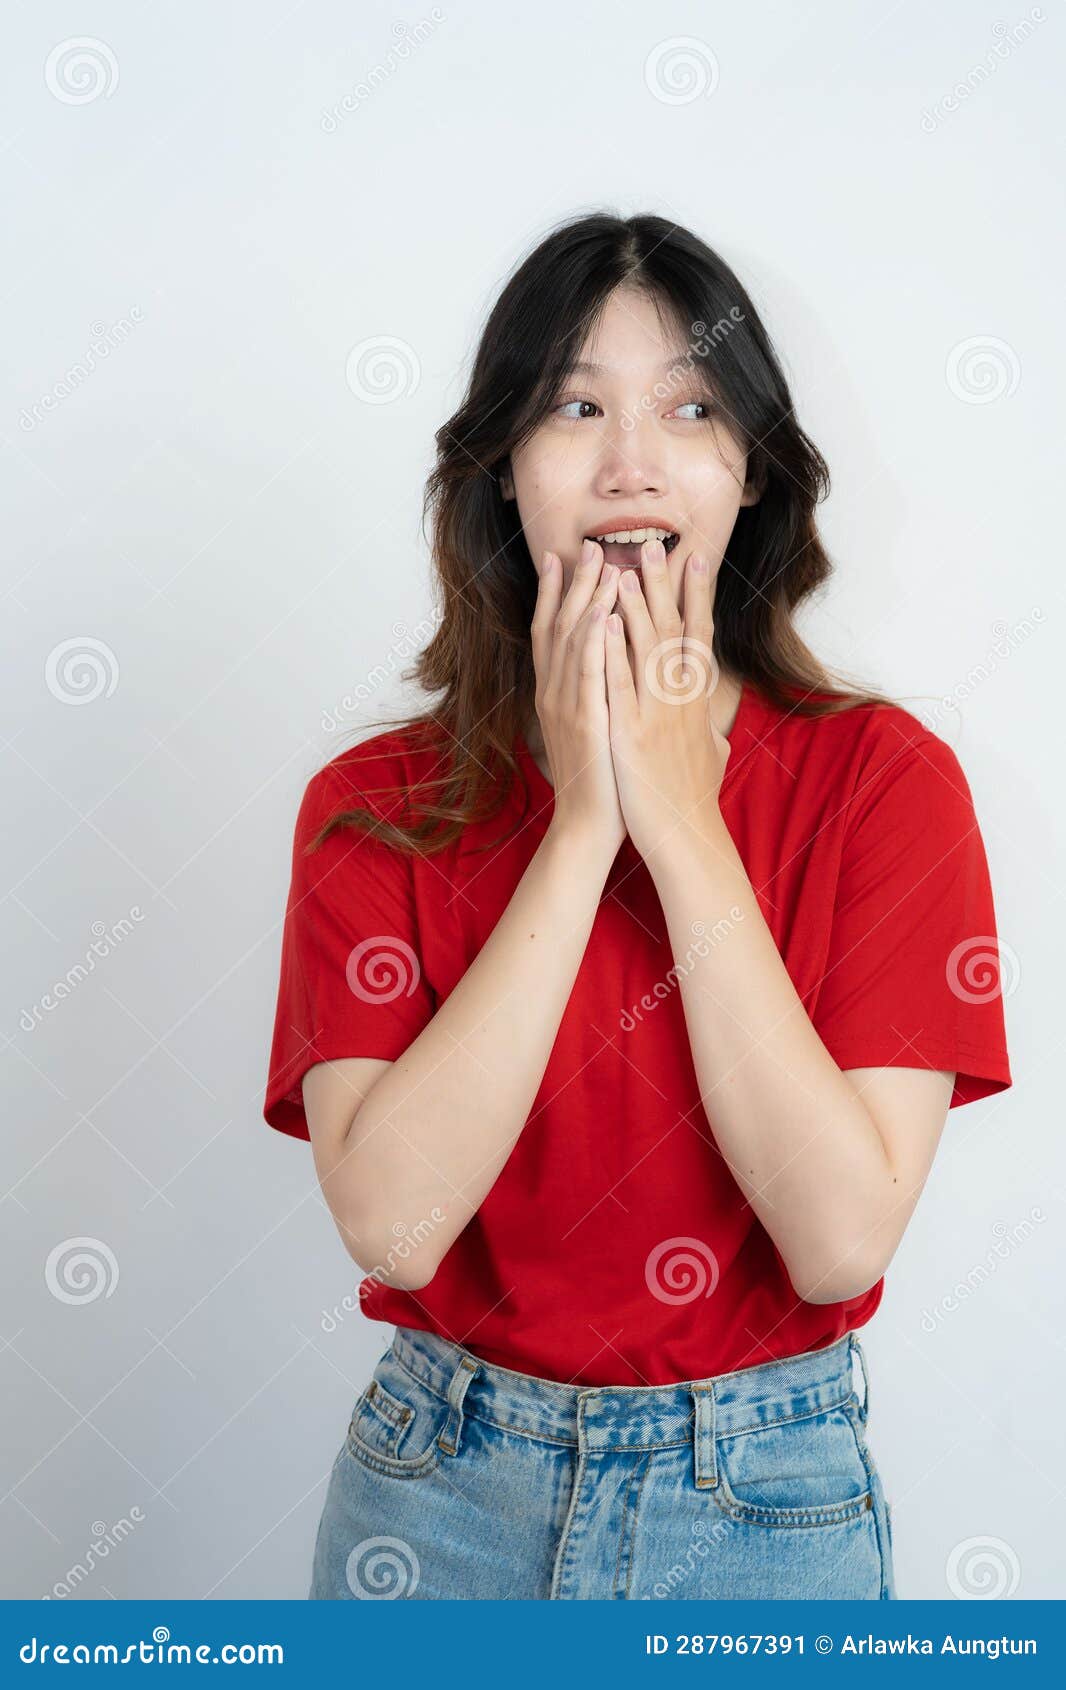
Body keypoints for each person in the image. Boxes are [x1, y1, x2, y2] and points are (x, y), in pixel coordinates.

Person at [263, 212, 1012, 1601]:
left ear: (747, 474)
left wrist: (678, 819)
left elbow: (838, 1233)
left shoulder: (881, 782)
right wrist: (584, 824)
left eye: (688, 407)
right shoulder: (369, 803)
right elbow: (392, 1224)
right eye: (571, 405)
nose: (627, 460)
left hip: (761, 1500)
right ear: (499, 472)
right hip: (436, 1495)